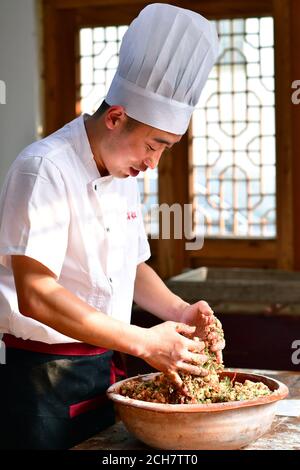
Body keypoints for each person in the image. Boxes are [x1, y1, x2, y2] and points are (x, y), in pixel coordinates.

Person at [0, 3, 224, 449]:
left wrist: (179, 313)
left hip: (103, 369)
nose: (153, 163)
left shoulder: (123, 170)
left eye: (167, 150)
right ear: (116, 118)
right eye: (153, 145)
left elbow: (130, 267)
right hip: (42, 378)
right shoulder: (43, 168)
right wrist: (143, 342)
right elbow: (36, 294)